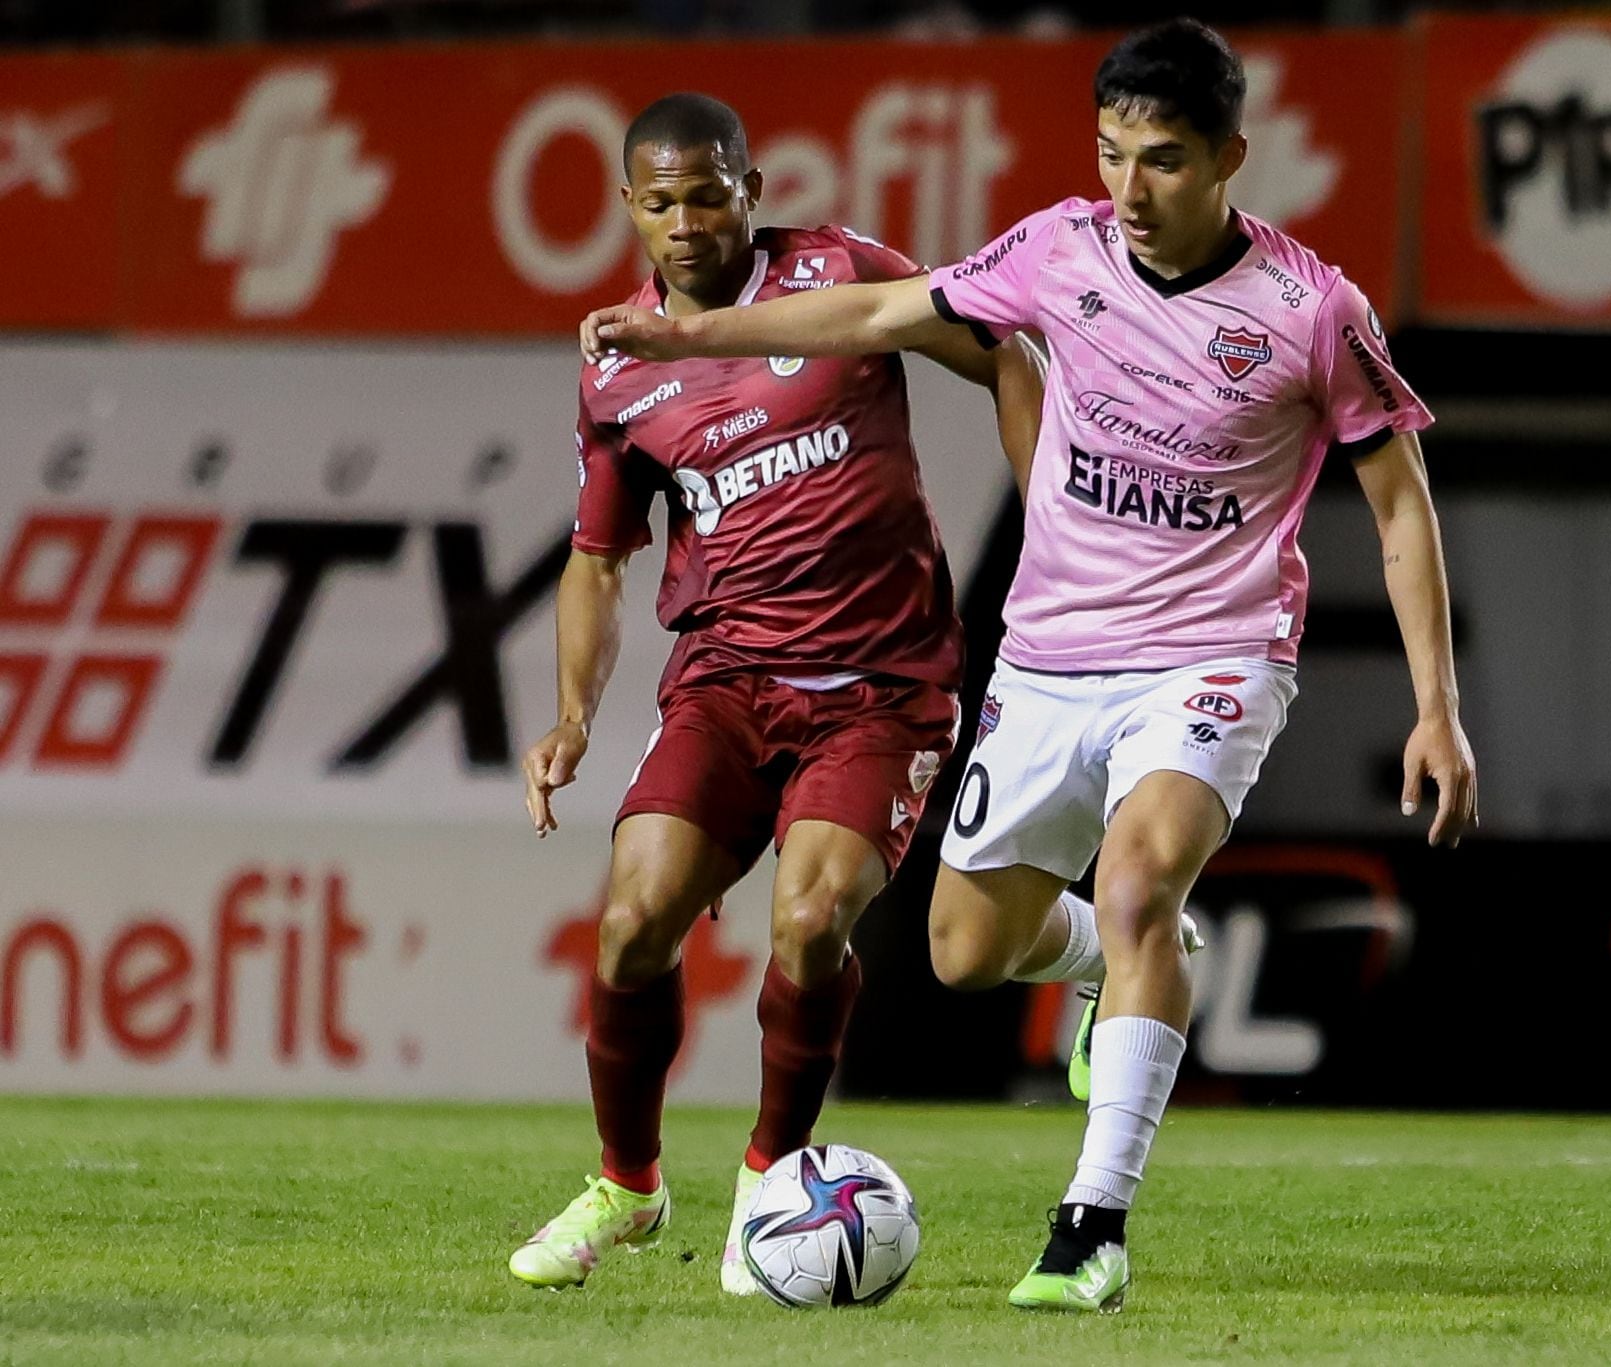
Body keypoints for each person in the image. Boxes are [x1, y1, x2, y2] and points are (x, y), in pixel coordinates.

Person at [578, 20, 1478, 1313]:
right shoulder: (1059, 249)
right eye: (1111, 153)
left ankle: (1090, 1223)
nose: (1128, 187)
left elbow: (1399, 502)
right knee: (960, 947)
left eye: (1162, 160)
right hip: (1052, 655)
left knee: (1138, 878)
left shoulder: (1308, 310)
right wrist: (690, 335)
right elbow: (888, 308)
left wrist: (1435, 708)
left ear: (1230, 156)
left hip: (1212, 653)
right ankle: (1109, 962)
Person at [510, 92, 1043, 1296]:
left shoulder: (841, 272)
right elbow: (599, 557)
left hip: (883, 684)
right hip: (725, 679)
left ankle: (770, 1178)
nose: (689, 220)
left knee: (810, 919)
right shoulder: (618, 369)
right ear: (629, 207)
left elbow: (1005, 348)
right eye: (661, 200)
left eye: (710, 192)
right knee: (635, 920)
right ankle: (627, 1185)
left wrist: (1051, 504)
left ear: (750, 183)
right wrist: (577, 714)